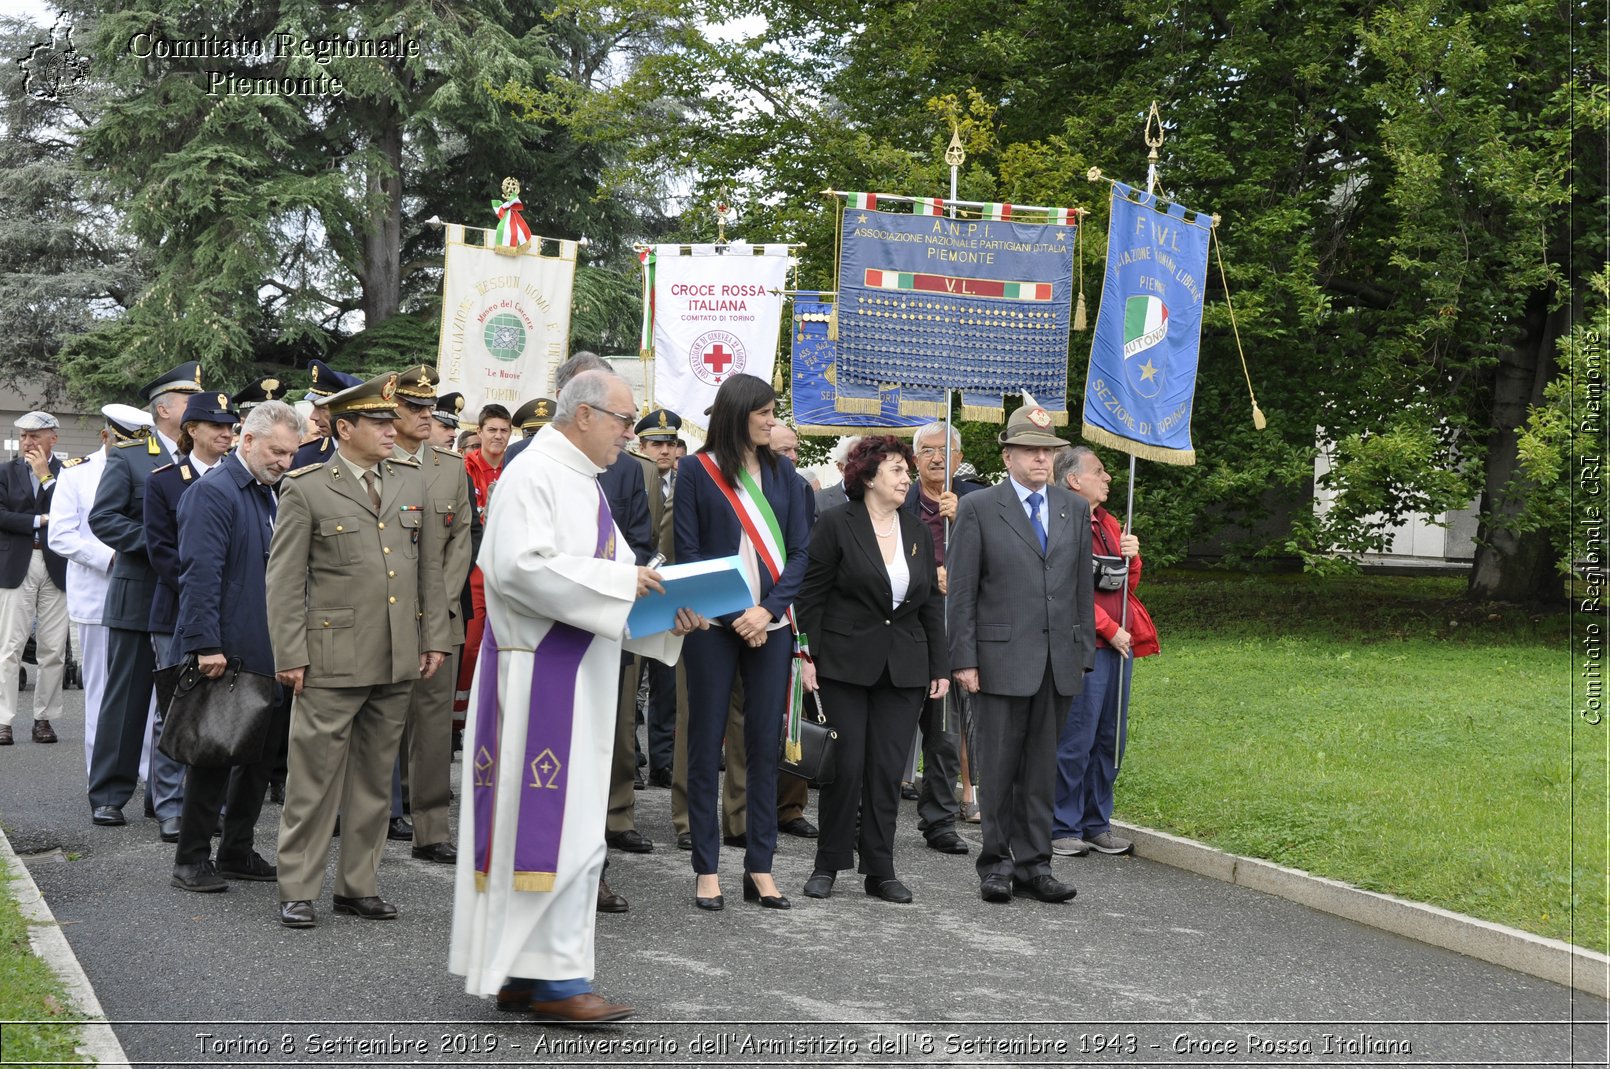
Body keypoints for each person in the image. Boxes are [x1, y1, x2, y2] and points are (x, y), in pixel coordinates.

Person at [449, 369, 705, 1023]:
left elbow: (622, 581)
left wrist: (672, 605)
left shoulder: (582, 484)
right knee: (556, 830)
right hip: (538, 681)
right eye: (624, 419)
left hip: (575, 677)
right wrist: (628, 586)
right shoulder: (532, 476)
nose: (631, 433)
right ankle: (557, 980)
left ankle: (522, 973)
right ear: (584, 414)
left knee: (568, 827)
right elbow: (517, 568)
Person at [265, 372, 451, 930]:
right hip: (331, 656)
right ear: (344, 428)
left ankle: (358, 884)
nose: (391, 430)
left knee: (374, 779)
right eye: (377, 422)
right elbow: (284, 580)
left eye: (391, 421)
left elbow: (427, 569)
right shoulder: (307, 487)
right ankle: (298, 886)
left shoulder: (408, 483)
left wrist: (433, 637)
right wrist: (290, 654)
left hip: (396, 653)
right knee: (314, 778)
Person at [947, 402, 1094, 905]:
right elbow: (963, 590)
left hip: (1058, 661)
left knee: (1040, 768)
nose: (1041, 460)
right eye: (1030, 451)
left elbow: (1079, 590)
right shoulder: (980, 507)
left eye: (1048, 451)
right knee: (1000, 766)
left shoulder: (1073, 508)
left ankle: (1036, 864)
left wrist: (1084, 653)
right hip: (999, 659)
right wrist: (963, 658)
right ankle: (996, 864)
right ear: (1007, 455)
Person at [674, 373, 810, 912]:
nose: (772, 421)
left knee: (762, 748)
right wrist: (735, 615)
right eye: (765, 412)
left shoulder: (786, 476)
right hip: (712, 627)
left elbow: (801, 555)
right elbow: (688, 554)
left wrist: (766, 611)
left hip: (770, 628)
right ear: (738, 412)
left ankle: (761, 866)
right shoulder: (695, 471)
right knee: (706, 743)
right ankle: (707, 869)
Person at [794, 436, 949, 903]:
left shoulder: (917, 530)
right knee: (845, 767)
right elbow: (810, 597)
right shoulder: (835, 524)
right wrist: (805, 657)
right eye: (898, 470)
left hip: (904, 669)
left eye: (906, 470)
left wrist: (939, 664)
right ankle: (829, 863)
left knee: (885, 772)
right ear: (868, 477)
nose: (907, 478)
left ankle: (880, 870)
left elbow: (929, 604)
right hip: (843, 665)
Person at [168, 400, 305, 891]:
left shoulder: (267, 493)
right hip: (226, 651)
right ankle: (190, 860)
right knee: (213, 755)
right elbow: (199, 575)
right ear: (247, 441)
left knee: (257, 758)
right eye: (276, 451)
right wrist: (206, 644)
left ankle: (237, 852)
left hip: (267, 650)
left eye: (291, 454)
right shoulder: (214, 492)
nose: (284, 462)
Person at [87, 360, 205, 827]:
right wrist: (155, 544)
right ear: (164, 410)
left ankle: (165, 796)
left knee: (179, 700)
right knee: (129, 699)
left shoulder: (206, 459)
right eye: (187, 401)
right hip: (141, 593)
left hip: (187, 597)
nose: (197, 408)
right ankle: (110, 793)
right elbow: (104, 518)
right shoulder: (133, 455)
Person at [1051, 446, 1159, 858]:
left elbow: (1122, 586)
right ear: (1074, 480)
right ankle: (1062, 824)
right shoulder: (1063, 519)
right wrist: (1109, 628)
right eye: (1099, 472)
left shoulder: (1109, 522)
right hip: (1086, 646)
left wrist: (1132, 558)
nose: (1108, 478)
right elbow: (1063, 588)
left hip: (1118, 646)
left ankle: (1097, 822)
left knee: (1110, 738)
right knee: (1076, 739)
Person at [142, 391, 237, 841]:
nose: (225, 433)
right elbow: (162, 552)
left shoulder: (244, 480)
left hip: (228, 613)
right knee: (174, 708)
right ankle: (169, 806)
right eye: (215, 426)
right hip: (177, 610)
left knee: (217, 710)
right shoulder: (163, 481)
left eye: (230, 426)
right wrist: (206, 591)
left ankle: (205, 805)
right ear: (191, 431)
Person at [388, 365, 474, 865]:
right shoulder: (375, 460)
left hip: (440, 614)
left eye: (429, 409)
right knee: (382, 724)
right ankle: (377, 816)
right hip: (387, 614)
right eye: (415, 408)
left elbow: (460, 540)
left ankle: (431, 829)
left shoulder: (450, 467)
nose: (425, 417)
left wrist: (439, 606)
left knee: (435, 727)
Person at [49, 405, 154, 772]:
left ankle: (144, 770)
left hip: (141, 594)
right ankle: (101, 770)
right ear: (105, 436)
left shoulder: (151, 467)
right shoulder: (77, 473)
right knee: (101, 690)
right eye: (121, 442)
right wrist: (110, 557)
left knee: (144, 690)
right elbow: (60, 535)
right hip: (97, 593)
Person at [902, 421, 988, 851]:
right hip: (905, 632)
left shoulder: (978, 502)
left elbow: (1001, 563)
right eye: (929, 451)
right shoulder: (899, 502)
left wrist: (966, 521)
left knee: (946, 736)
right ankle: (868, 817)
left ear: (959, 458)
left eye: (946, 450)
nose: (938, 458)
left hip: (955, 636)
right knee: (894, 732)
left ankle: (938, 821)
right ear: (915, 460)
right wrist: (925, 576)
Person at [0, 411, 68, 747]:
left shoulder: (68, 473)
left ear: (52, 438)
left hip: (57, 565)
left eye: (35, 435)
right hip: (17, 564)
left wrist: (44, 477)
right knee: (9, 647)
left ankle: (44, 718)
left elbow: (72, 514)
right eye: (24, 435)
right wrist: (39, 520)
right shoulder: (5, 472)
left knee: (53, 648)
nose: (28, 442)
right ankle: (4, 720)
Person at [634, 407, 682, 789]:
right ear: (641, 444)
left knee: (667, 682)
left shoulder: (687, 482)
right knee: (631, 680)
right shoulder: (634, 476)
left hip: (670, 589)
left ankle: (663, 761)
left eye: (669, 444)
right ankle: (629, 754)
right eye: (656, 444)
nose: (663, 451)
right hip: (636, 584)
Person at [291, 361, 361, 468]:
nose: (313, 417)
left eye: (322, 408)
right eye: (314, 407)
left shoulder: (381, 452)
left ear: (347, 410)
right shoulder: (302, 458)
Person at [813, 435, 862, 514]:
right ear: (841, 467)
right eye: (857, 461)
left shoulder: (881, 498)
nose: (864, 466)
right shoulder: (819, 500)